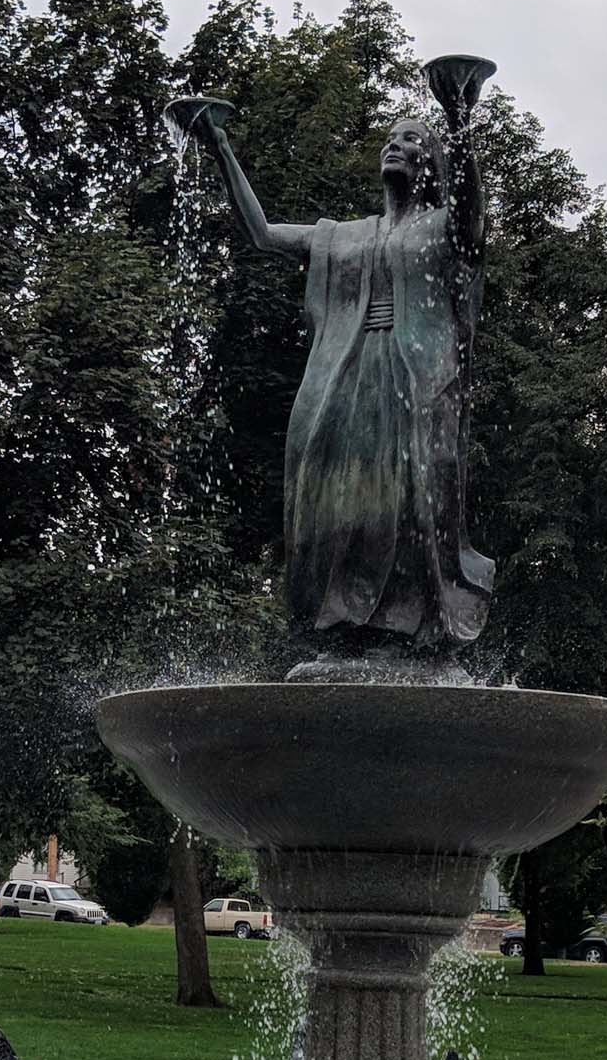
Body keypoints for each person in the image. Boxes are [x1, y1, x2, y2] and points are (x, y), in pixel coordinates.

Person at [168, 58, 496, 653]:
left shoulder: (443, 228)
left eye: (411, 140)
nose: (394, 146)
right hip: (341, 384)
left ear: (432, 163)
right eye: (389, 139)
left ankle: (409, 625)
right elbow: (263, 234)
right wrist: (217, 144)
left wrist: (459, 114)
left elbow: (475, 218)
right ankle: (343, 623)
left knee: (411, 501)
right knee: (333, 501)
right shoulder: (345, 234)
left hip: (416, 384)